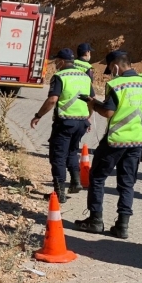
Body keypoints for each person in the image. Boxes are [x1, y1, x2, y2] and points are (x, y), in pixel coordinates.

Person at [74, 51, 142, 239]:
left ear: (115, 66)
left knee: (97, 177)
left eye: (111, 69)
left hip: (115, 140)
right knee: (127, 183)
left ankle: (95, 220)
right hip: (137, 141)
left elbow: (108, 113)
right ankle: (122, 225)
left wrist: (93, 103)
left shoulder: (116, 85)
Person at [31, 49, 93, 201]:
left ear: (63, 61)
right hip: (81, 122)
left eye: (56, 61)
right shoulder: (85, 76)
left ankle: (59, 193)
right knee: (72, 152)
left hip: (65, 122)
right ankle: (76, 182)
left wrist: (38, 115)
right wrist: (88, 118)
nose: (55, 64)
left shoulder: (59, 76)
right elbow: (92, 99)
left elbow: (52, 99)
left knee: (58, 157)